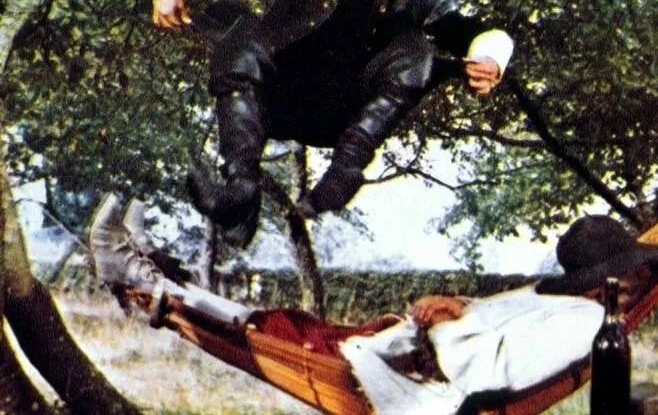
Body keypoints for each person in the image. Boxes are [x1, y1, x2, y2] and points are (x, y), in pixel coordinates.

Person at [151, 0, 515, 246]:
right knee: (244, 32)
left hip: (343, 120)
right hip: (276, 102)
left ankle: (345, 173)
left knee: (417, 49)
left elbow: (471, 32)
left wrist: (488, 59)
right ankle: (240, 188)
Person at [90, 195, 658, 414]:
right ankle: (154, 276)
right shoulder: (562, 299)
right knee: (286, 328)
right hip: (404, 356)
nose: (635, 278)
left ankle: (147, 283)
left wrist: (445, 326)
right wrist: (455, 306)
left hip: (425, 390)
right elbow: (491, 316)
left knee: (284, 338)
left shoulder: (589, 323)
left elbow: (494, 371)